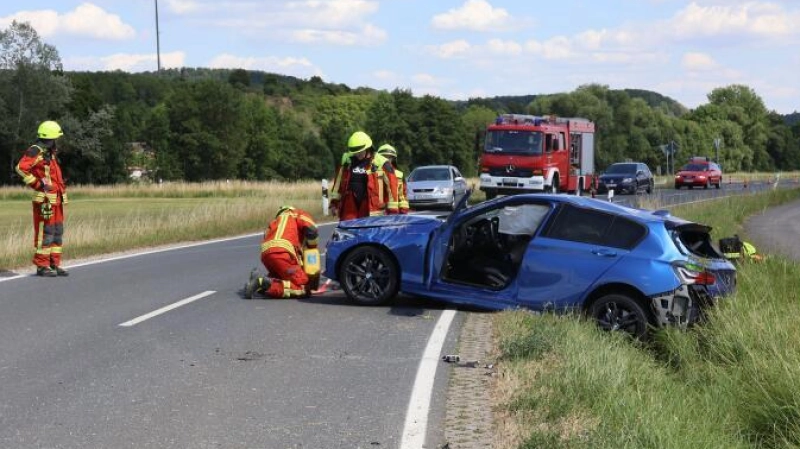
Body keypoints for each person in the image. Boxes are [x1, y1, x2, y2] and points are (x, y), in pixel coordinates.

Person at [15, 121, 69, 277]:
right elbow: (20, 168)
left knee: (57, 231)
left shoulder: (49, 151)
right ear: (50, 137)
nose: (57, 141)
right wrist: (37, 184)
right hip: (44, 200)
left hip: (56, 200)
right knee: (45, 232)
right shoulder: (35, 150)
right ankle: (42, 265)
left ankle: (54, 263)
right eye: (56, 138)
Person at [244, 206, 319, 299]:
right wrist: (312, 248)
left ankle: (257, 284)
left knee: (282, 279)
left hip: (266, 255)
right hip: (282, 253)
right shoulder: (296, 213)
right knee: (303, 287)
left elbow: (265, 236)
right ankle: (261, 282)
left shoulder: (274, 222)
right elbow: (311, 230)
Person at [329, 131, 399, 220]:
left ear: (367, 148)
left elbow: (391, 187)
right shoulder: (347, 160)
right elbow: (338, 183)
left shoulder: (382, 163)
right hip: (350, 205)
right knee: (348, 231)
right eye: (354, 152)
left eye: (359, 152)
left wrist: (392, 211)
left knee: (368, 232)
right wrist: (334, 203)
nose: (357, 154)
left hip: (371, 207)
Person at [376, 144, 409, 214]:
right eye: (383, 157)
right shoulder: (373, 173)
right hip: (377, 213)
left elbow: (402, 196)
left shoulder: (399, 174)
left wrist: (403, 212)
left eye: (389, 157)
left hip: (394, 215)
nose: (386, 160)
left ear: (393, 159)